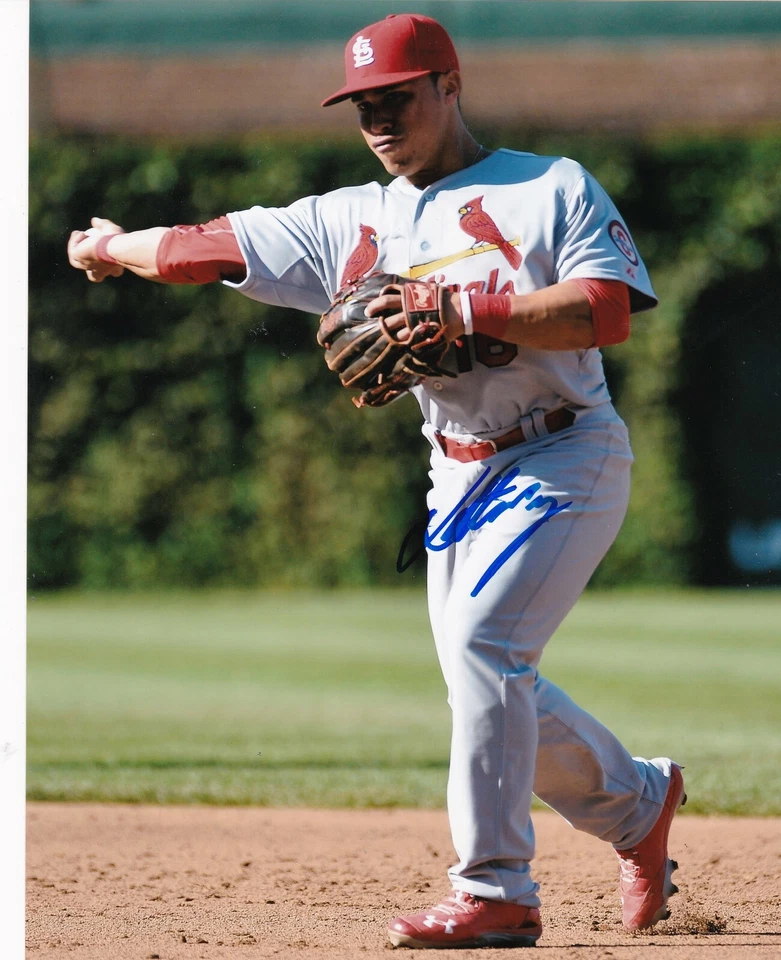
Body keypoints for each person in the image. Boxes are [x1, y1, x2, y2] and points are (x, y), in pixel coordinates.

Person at [68, 13, 686, 950]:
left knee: (484, 652)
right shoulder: (348, 218)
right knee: (486, 676)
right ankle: (637, 803)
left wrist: (466, 305)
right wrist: (113, 246)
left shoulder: (546, 186)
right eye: (361, 106)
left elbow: (602, 313)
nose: (377, 121)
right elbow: (205, 246)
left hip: (564, 452)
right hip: (456, 473)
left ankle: (496, 892)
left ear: (449, 85)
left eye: (395, 98)